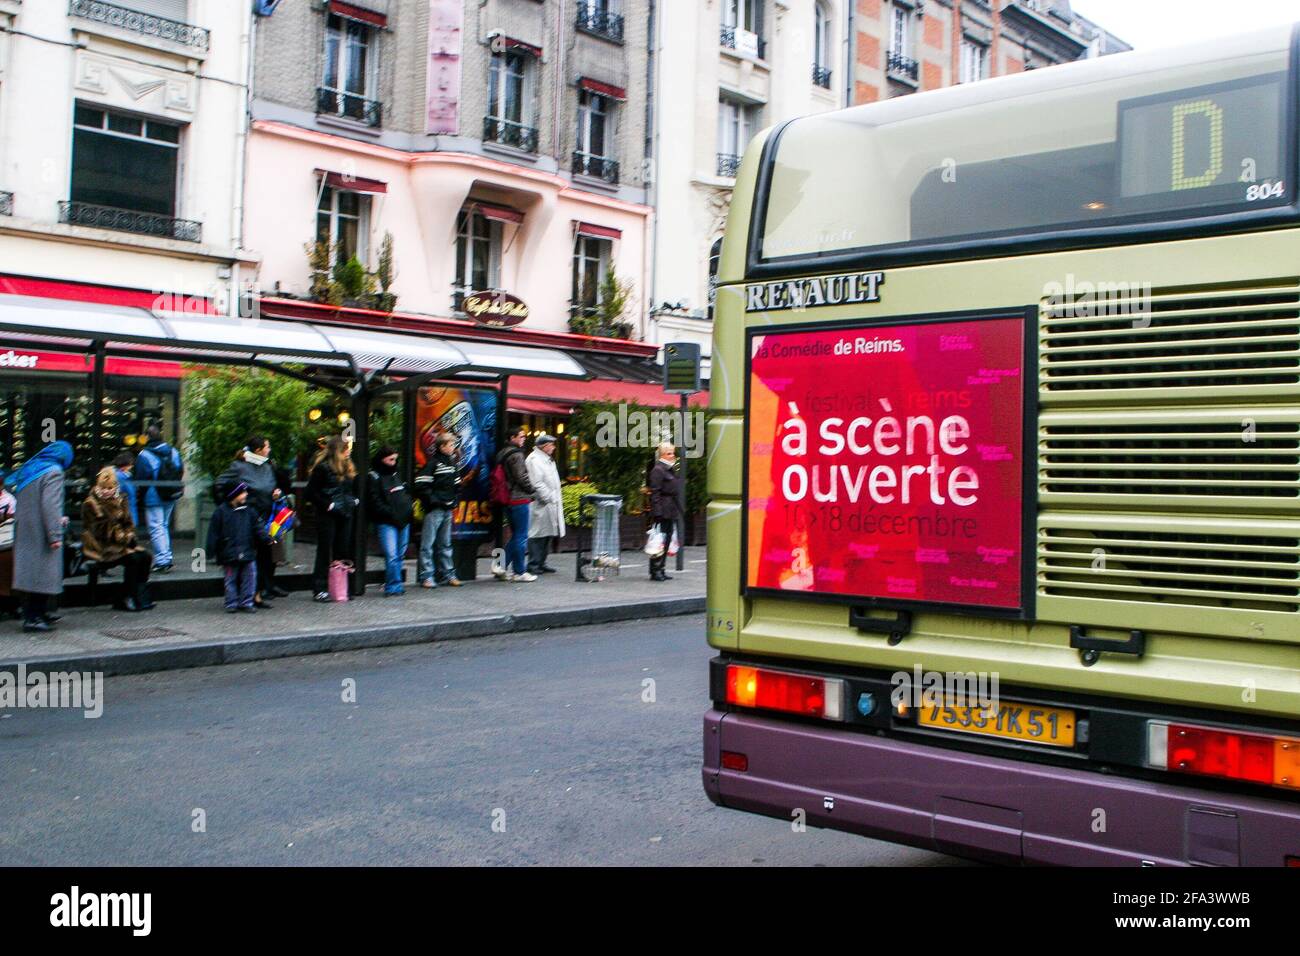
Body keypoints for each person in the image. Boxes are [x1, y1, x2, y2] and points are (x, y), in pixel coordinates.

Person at [216, 436, 292, 607]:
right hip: (248, 518)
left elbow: (276, 486)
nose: (269, 449)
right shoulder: (239, 466)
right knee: (251, 557)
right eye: (267, 447)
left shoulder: (267, 465)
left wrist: (276, 493)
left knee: (266, 555)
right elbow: (220, 484)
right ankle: (246, 596)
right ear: (258, 450)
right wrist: (233, 506)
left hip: (268, 517)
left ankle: (258, 592)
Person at [10, 440, 73, 632]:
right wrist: (55, 534)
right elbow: (50, 505)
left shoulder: (31, 469)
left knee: (30, 572)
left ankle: (37, 612)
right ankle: (34, 617)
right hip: (42, 531)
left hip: (25, 528)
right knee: (43, 573)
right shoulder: (53, 472)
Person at [81, 466, 154, 612]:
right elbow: (100, 530)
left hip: (120, 543)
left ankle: (139, 595)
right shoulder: (91, 504)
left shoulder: (121, 500)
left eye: (110, 488)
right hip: (99, 545)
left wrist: (129, 534)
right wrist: (125, 536)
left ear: (115, 487)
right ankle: (126, 597)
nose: (106, 491)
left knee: (146, 557)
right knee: (133, 559)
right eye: (103, 488)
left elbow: (128, 523)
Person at [307, 434, 358, 602]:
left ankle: (339, 586)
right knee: (325, 550)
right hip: (328, 514)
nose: (348, 452)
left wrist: (352, 501)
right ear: (339, 451)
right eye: (346, 449)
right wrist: (328, 505)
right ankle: (320, 587)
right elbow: (311, 492)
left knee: (342, 549)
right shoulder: (323, 468)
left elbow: (349, 490)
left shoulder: (347, 467)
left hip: (345, 512)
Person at [206, 481, 270, 613]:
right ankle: (232, 602)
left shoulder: (249, 511)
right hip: (229, 552)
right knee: (231, 579)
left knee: (250, 577)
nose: (246, 494)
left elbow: (258, 527)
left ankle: (246, 601)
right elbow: (213, 532)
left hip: (246, 550)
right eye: (243, 492)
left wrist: (267, 538)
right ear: (234, 494)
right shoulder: (221, 512)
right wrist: (210, 550)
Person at [133, 424, 184, 574]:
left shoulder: (144, 455)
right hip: (170, 494)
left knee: (156, 527)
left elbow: (141, 479)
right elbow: (180, 470)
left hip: (153, 496)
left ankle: (163, 560)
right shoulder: (173, 451)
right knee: (163, 525)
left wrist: (139, 498)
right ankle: (166, 556)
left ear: (147, 437)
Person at [413, 433, 462, 589]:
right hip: (436, 509)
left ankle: (448, 574)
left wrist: (453, 500)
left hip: (446, 508)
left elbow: (457, 485)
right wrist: (434, 501)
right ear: (442, 446)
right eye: (450, 445)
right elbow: (420, 484)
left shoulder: (451, 464)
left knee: (445, 543)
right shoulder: (433, 463)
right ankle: (427, 576)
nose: (453, 447)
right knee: (429, 544)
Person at [367, 446, 414, 596]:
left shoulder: (396, 474)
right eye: (390, 459)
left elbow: (405, 493)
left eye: (395, 459)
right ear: (382, 459)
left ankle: (396, 584)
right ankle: (393, 585)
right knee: (393, 555)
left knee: (398, 554)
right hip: (388, 520)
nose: (394, 462)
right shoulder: (374, 476)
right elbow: (375, 501)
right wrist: (393, 514)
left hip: (401, 518)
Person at [493, 426, 536, 582]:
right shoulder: (516, 454)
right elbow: (521, 476)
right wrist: (532, 489)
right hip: (519, 498)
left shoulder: (502, 453)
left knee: (516, 535)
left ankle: (501, 566)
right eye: (521, 436)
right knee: (521, 535)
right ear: (512, 438)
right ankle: (519, 571)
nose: (523, 439)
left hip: (507, 499)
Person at [525, 433, 563, 575]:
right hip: (541, 502)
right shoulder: (534, 459)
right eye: (551, 445)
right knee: (537, 534)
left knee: (547, 533)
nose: (553, 447)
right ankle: (534, 564)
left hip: (549, 502)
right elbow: (537, 482)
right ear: (544, 446)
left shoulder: (546, 459)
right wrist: (549, 497)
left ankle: (541, 562)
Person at [647, 441, 684, 582]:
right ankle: (655, 570)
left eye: (673, 453)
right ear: (662, 454)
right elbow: (655, 492)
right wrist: (657, 511)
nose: (672, 455)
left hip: (670, 508)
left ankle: (661, 568)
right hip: (662, 509)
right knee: (659, 540)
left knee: (666, 539)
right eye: (669, 453)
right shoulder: (658, 470)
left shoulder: (669, 468)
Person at [0, 476, 17, 620]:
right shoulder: (9, 499)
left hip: (5, 542)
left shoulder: (9, 499)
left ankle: (9, 607)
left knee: (6, 574)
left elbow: (12, 518)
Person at [112, 452, 138, 526]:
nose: (132, 466)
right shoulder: (120, 477)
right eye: (130, 464)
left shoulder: (125, 476)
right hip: (125, 510)